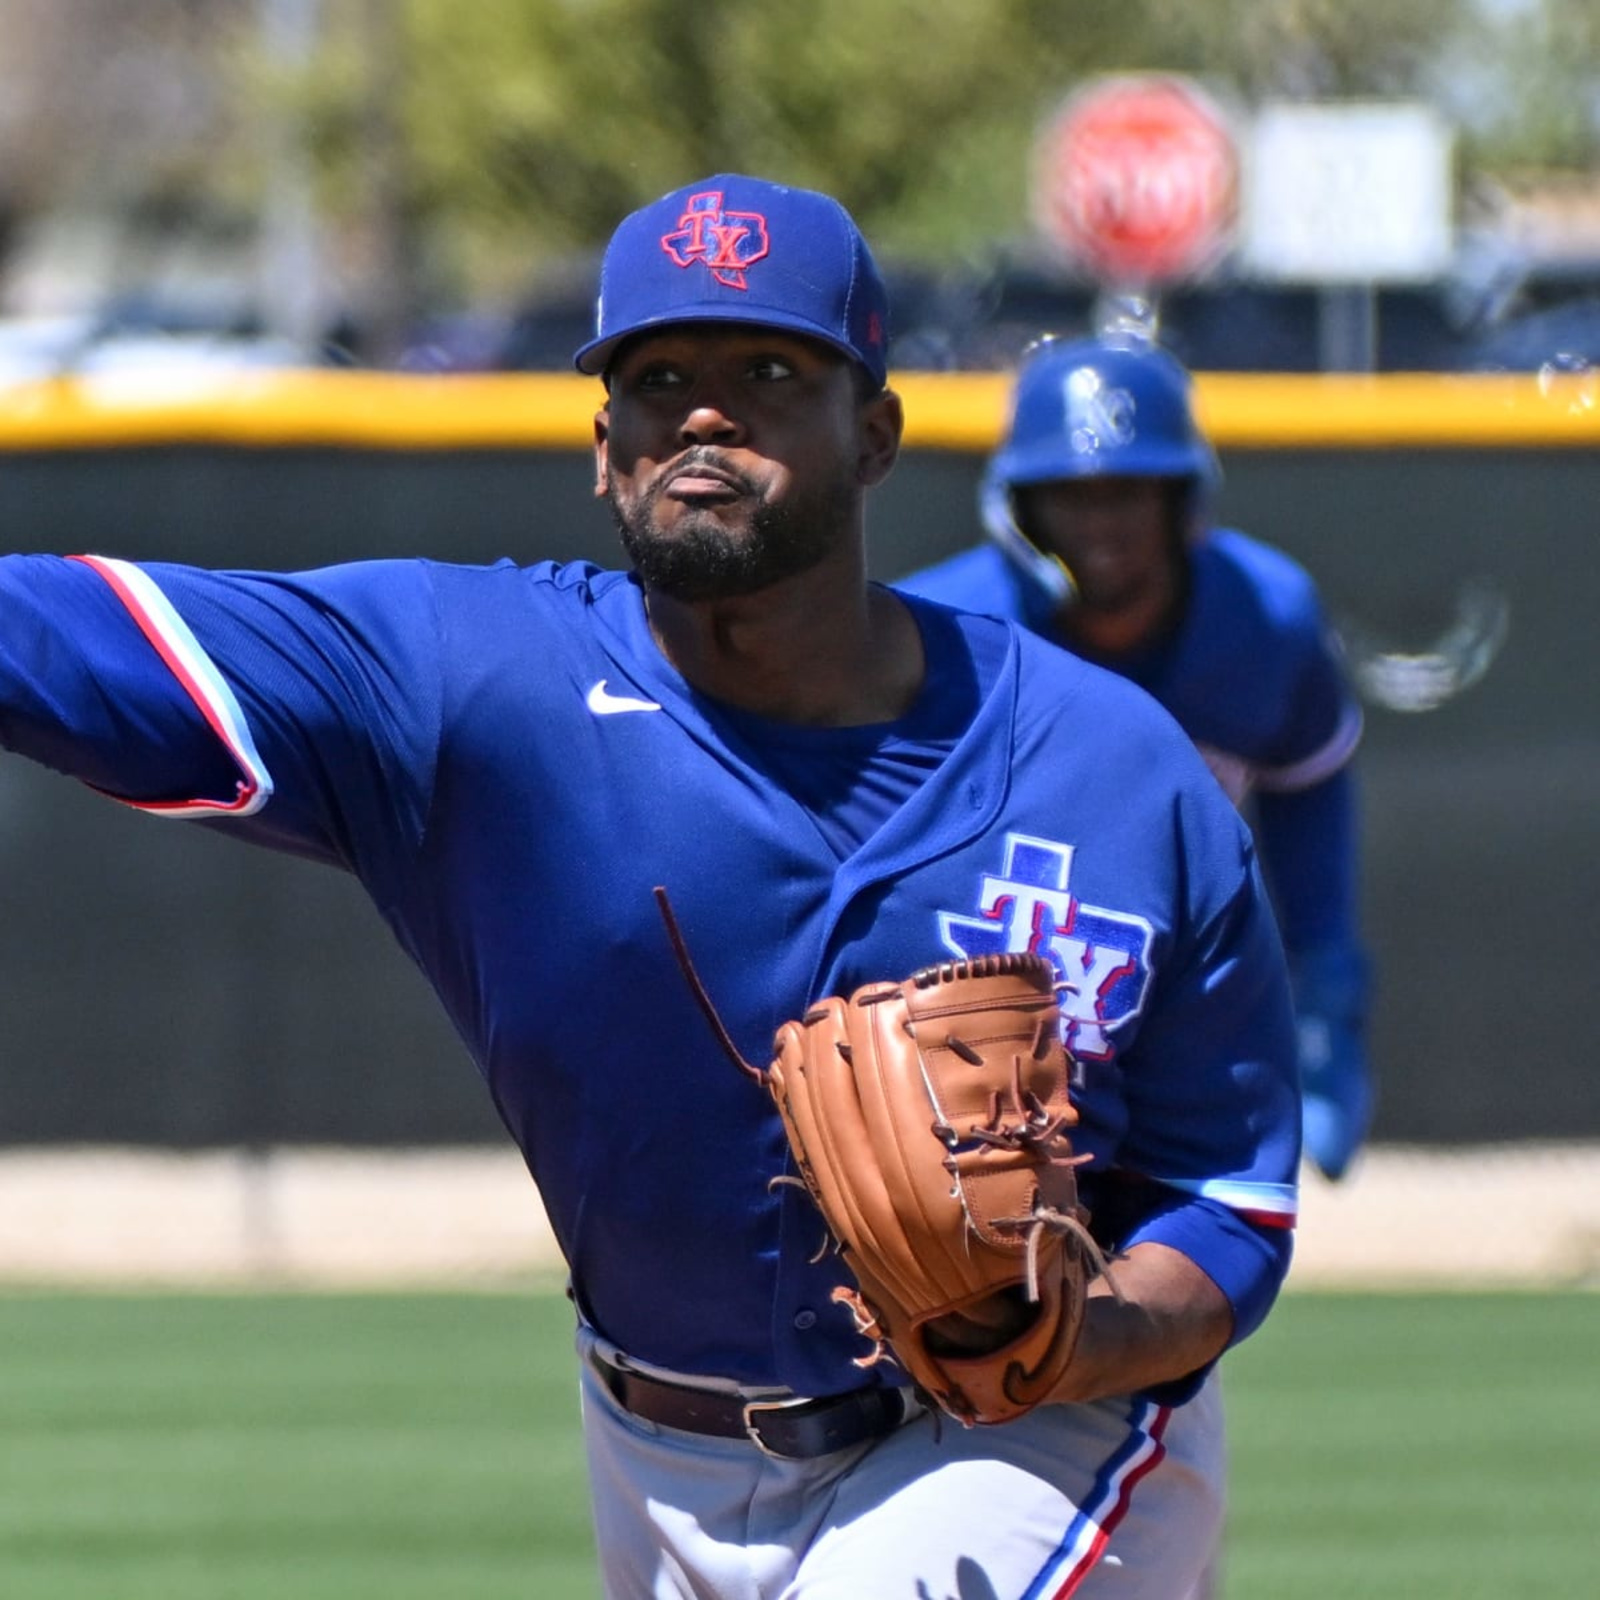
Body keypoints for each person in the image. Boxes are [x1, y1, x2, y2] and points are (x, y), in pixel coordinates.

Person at [0, 174, 1300, 1599]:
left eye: (768, 372)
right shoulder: (470, 689)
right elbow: (59, 637)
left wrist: (1092, 1335)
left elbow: (1227, 1195)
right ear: (604, 448)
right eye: (659, 374)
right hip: (655, 1451)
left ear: (874, 434)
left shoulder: (1114, 768)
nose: (703, 411)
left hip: (1029, 1444)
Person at [899, 332, 1373, 1184]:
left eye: (1132, 491)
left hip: (1167, 976)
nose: (1103, 522)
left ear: (1183, 501)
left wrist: (1327, 998)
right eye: (1072, 496)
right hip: (987, 981)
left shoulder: (1267, 621)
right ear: (1021, 509)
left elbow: (1310, 788)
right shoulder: (944, 633)